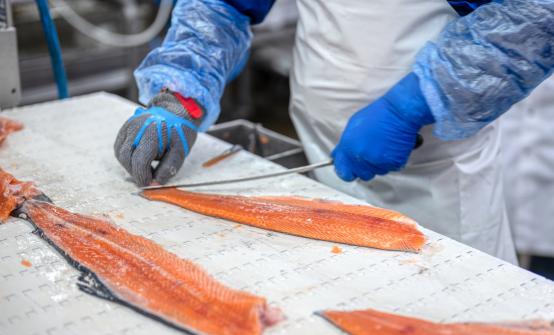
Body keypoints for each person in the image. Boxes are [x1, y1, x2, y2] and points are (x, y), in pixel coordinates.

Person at [114, 0, 553, 264]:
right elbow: (222, 5)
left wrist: (410, 106)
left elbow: (529, 18)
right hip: (318, 142)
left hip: (434, 166)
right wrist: (180, 97)